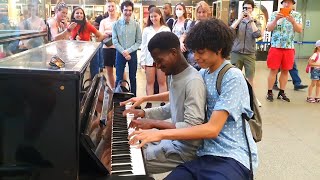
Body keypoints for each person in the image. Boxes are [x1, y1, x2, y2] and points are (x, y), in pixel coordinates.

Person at [128, 19, 258, 180]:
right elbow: (182, 94)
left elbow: (212, 129)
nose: (195, 57)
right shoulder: (204, 73)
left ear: (219, 49)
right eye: (194, 51)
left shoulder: (233, 77)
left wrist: (159, 133)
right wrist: (146, 100)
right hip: (204, 152)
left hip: (231, 155)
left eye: (201, 52)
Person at [122, 31, 206, 174]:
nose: (158, 66)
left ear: (174, 52)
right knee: (130, 144)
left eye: (160, 61)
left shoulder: (193, 81)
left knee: (127, 163)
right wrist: (143, 113)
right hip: (173, 140)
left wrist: (154, 124)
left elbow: (192, 127)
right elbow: (171, 108)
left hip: (185, 151)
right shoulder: (175, 74)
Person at [266, 0, 302, 102]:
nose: (287, 4)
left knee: (286, 70)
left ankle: (282, 92)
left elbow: (299, 30)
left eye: (289, 2)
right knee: (273, 70)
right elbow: (269, 28)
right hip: (275, 46)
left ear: (292, 4)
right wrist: (276, 19)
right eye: (285, 2)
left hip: (289, 47)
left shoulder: (297, 15)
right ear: (282, 4)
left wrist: (293, 21)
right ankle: (269, 92)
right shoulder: (274, 14)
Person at [230, 0, 262, 107]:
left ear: (252, 9)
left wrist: (251, 20)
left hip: (249, 54)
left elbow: (257, 34)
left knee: (250, 78)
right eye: (244, 8)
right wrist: (240, 19)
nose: (246, 10)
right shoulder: (237, 21)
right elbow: (230, 31)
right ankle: (234, 98)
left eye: (248, 8)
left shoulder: (256, 22)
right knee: (234, 76)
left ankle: (250, 99)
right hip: (236, 53)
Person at [140, 7, 170, 109]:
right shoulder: (146, 30)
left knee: (162, 82)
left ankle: (163, 102)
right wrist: (142, 61)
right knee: (150, 82)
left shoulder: (166, 29)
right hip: (149, 59)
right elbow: (143, 46)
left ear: (160, 16)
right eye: (151, 16)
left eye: (155, 16)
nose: (153, 18)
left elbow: (169, 46)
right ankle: (149, 101)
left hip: (162, 59)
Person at [112, 0, 142, 96]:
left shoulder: (136, 25)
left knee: (133, 77)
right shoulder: (116, 25)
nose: (128, 12)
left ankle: (134, 99)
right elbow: (115, 41)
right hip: (120, 54)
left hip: (132, 54)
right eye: (125, 10)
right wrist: (123, 52)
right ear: (122, 10)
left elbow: (138, 41)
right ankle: (117, 100)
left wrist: (128, 51)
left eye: (130, 10)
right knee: (118, 77)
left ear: (132, 11)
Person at [70, 7, 105, 79]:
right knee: (77, 75)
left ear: (83, 15)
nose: (79, 15)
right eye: (77, 13)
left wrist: (93, 45)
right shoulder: (70, 25)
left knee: (93, 71)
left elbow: (101, 36)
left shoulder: (87, 25)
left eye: (81, 13)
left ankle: (93, 87)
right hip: (74, 54)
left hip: (86, 52)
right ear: (73, 15)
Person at [179, 0, 211, 70]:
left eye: (203, 12)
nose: (201, 14)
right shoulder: (192, 24)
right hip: (191, 59)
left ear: (207, 12)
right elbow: (184, 34)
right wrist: (181, 43)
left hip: (205, 59)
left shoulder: (211, 25)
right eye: (199, 12)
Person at [99, 0, 122, 89]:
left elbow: (122, 34)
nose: (111, 8)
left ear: (116, 8)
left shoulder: (120, 21)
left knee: (120, 71)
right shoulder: (103, 21)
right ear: (106, 8)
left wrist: (108, 32)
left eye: (112, 6)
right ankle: (113, 90)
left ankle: (122, 90)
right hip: (107, 49)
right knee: (109, 71)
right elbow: (101, 36)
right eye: (109, 6)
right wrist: (114, 33)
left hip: (119, 49)